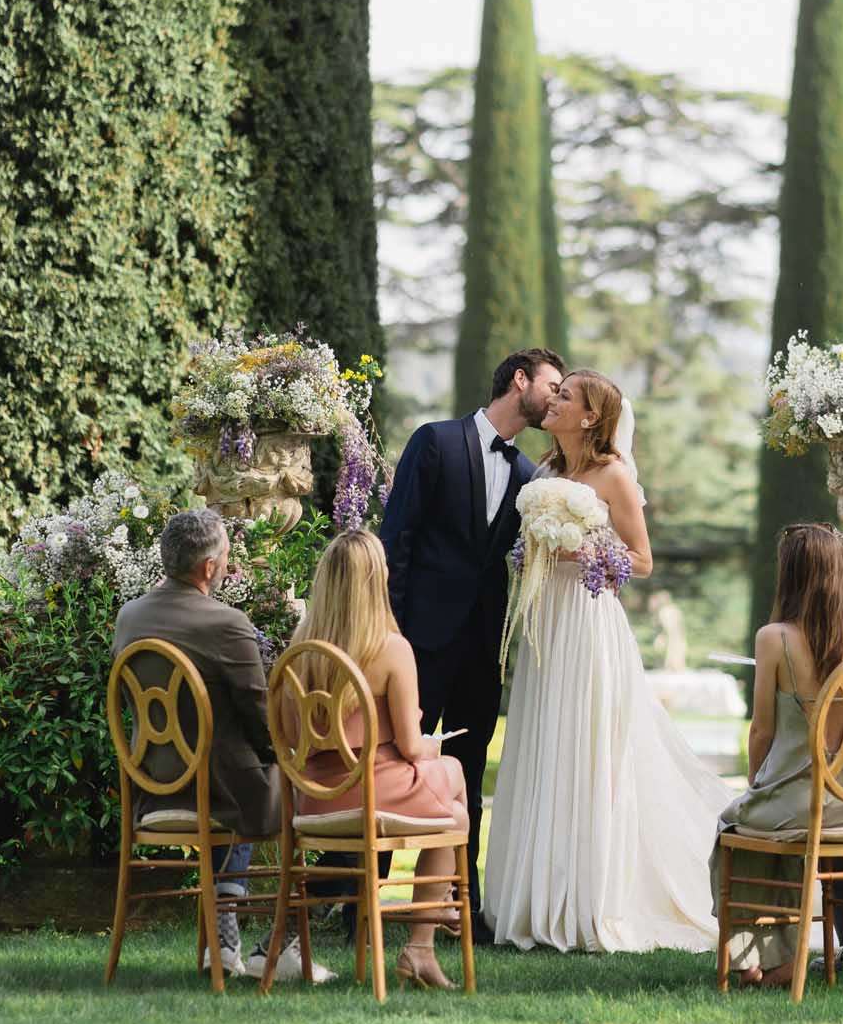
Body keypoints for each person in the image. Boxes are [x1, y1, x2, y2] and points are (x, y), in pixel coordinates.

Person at [482, 369, 729, 952]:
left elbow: (641, 559)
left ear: (590, 417)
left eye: (565, 396)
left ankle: (589, 899)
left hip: (588, 624)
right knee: (543, 742)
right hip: (546, 624)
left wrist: (582, 550)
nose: (554, 400)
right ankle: (534, 897)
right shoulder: (544, 472)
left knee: (585, 744)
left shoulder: (613, 474)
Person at [380, 346, 566, 943]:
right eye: (552, 386)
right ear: (520, 380)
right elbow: (396, 539)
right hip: (416, 644)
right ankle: (357, 899)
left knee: (467, 771)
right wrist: (391, 633)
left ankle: (462, 907)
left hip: (482, 649)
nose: (557, 398)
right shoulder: (435, 441)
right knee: (392, 761)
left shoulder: (529, 476)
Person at [111, 507, 332, 982]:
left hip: (153, 788)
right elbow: (260, 716)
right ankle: (281, 942)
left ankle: (225, 938)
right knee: (309, 786)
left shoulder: (129, 617)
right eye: (228, 556)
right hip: (220, 794)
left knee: (244, 771)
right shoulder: (226, 623)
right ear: (209, 567)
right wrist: (293, 757)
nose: (229, 564)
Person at [279, 529, 470, 991]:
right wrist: (431, 744)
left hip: (314, 801)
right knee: (454, 781)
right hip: (370, 792)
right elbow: (410, 747)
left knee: (453, 808)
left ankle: (434, 917)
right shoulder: (390, 647)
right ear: (376, 581)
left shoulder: (299, 646)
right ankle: (426, 933)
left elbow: (287, 739)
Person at [713, 524, 843, 987]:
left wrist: (756, 784)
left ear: (790, 575)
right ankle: (782, 957)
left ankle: (759, 956)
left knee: (733, 826)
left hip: (796, 800)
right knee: (777, 827)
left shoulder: (775, 638)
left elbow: (761, 731)